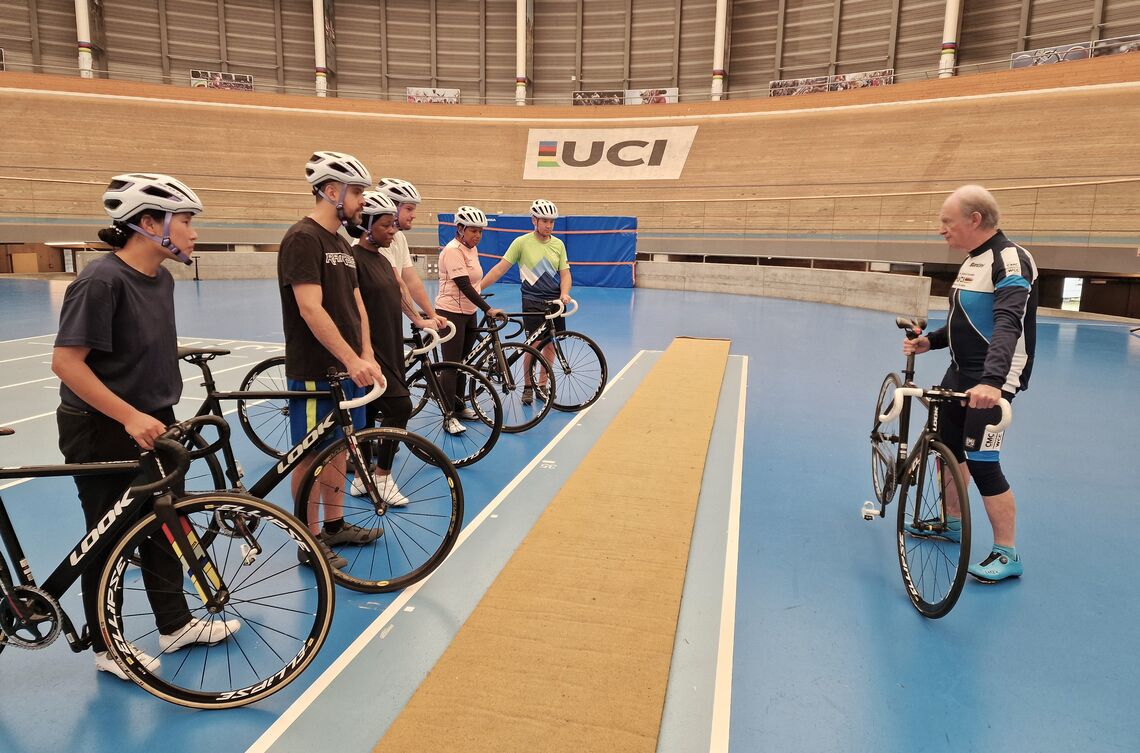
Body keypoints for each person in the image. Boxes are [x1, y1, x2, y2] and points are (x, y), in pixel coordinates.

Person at [52, 173, 240, 680]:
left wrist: (157, 410)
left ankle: (174, 623)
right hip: (101, 427)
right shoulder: (101, 280)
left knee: (165, 522)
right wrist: (130, 415)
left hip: (156, 422)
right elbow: (67, 363)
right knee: (107, 537)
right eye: (186, 221)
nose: (194, 233)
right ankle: (107, 647)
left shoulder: (162, 279)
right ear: (149, 223)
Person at [902, 184, 1038, 583]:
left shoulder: (1010, 259)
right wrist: (933, 341)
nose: (941, 229)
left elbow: (1007, 322)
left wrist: (993, 382)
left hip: (993, 378)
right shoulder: (971, 260)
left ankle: (1006, 553)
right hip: (961, 373)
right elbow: (968, 319)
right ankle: (954, 523)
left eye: (947, 221)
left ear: (974, 219)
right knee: (947, 448)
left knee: (982, 462)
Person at [278, 151, 386, 570]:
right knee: (309, 456)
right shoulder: (303, 238)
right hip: (314, 370)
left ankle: (335, 524)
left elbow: (356, 303)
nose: (362, 201)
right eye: (357, 192)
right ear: (330, 191)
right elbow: (310, 308)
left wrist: (366, 354)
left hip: (349, 369)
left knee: (343, 447)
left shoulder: (341, 241)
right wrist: (347, 356)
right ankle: (308, 538)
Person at [348, 191, 436, 500]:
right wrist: (361, 352)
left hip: (390, 346)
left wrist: (419, 319)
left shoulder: (382, 259)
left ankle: (360, 477)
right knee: (400, 407)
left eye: (394, 225)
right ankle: (382, 476)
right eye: (387, 226)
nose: (394, 231)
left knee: (370, 414)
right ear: (368, 225)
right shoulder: (353, 261)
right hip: (370, 351)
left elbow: (399, 290)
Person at [478, 198, 571, 404]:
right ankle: (528, 387)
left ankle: (543, 385)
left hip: (555, 302)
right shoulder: (521, 242)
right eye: (544, 220)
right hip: (532, 301)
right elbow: (500, 268)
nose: (549, 225)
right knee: (533, 345)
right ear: (534, 220)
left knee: (551, 346)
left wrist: (564, 294)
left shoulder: (559, 245)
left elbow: (565, 274)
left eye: (552, 222)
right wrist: (478, 288)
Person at [435, 205, 504, 434]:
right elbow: (464, 284)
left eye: (480, 231)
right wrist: (488, 308)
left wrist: (479, 308)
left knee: (465, 363)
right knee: (452, 365)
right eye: (473, 230)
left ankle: (459, 406)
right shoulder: (453, 250)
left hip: (468, 312)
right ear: (460, 229)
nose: (477, 235)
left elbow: (475, 283)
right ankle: (447, 416)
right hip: (451, 313)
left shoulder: (471, 249)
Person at [374, 177, 448, 330]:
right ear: (392, 207)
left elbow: (411, 281)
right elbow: (397, 284)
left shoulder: (399, 237)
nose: (414, 215)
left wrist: (431, 314)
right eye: (409, 209)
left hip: (389, 319)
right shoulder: (379, 242)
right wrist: (418, 320)